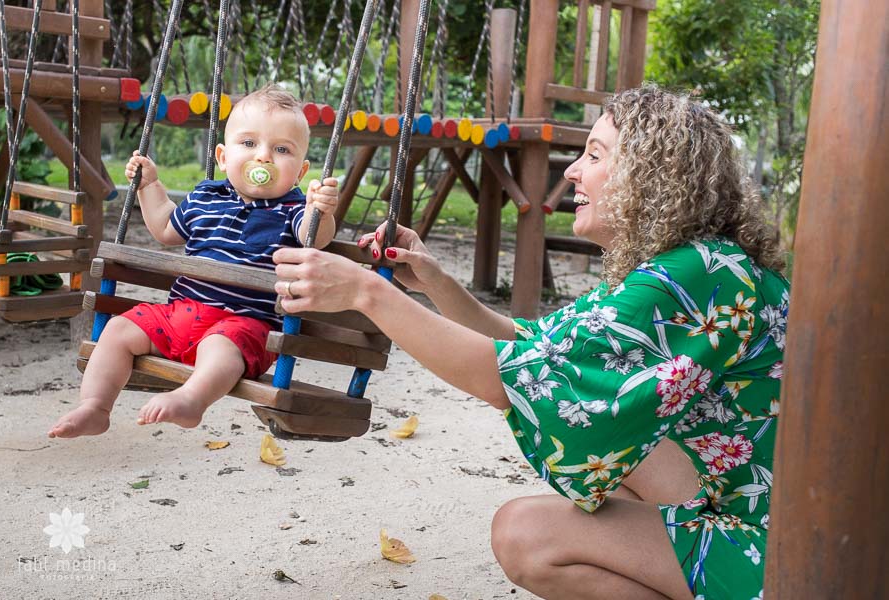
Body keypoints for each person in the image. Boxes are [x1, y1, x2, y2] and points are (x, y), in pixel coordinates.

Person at [271, 86, 788, 599]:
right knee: (625, 453)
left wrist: (367, 293)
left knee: (526, 536)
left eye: (594, 154)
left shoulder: (691, 277)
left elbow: (517, 379)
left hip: (783, 552)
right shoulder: (704, 263)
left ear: (650, 176)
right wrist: (434, 283)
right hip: (766, 507)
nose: (572, 171)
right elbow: (537, 347)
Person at [48, 85, 339, 439]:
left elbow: (316, 236)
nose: (263, 157)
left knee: (220, 347)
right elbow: (166, 228)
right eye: (248, 144)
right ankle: (95, 406)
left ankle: (191, 400)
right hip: (179, 316)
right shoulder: (205, 197)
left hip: (242, 327)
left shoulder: (292, 210)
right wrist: (149, 186)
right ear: (221, 156)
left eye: (281, 150)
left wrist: (319, 210)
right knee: (118, 329)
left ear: (300, 171)